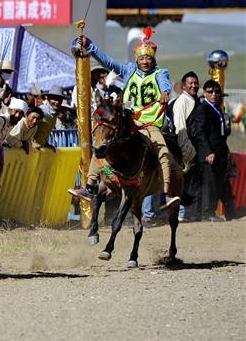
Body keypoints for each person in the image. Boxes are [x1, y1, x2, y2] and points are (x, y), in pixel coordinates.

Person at [70, 28, 178, 209]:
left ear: (154, 59)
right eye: (142, 58)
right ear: (137, 59)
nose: (145, 61)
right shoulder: (128, 70)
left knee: (163, 150)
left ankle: (166, 194)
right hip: (129, 121)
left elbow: (165, 83)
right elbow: (108, 61)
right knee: (102, 144)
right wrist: (90, 46)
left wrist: (165, 91)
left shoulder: (160, 73)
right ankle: (89, 186)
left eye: (149, 58)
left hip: (150, 123)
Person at [188, 80, 235, 221]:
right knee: (208, 183)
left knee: (217, 182)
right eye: (210, 92)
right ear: (204, 92)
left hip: (220, 152)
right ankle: (207, 213)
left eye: (216, 92)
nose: (214, 94)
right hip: (209, 153)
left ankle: (212, 211)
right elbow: (201, 132)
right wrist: (208, 151)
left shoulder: (217, 108)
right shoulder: (202, 109)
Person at [170, 72, 200, 221]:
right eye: (191, 83)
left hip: (192, 148)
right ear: (183, 86)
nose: (194, 85)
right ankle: (182, 214)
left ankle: (188, 213)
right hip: (185, 149)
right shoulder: (182, 101)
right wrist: (188, 150)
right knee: (183, 182)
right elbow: (179, 127)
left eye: (196, 83)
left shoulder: (193, 100)